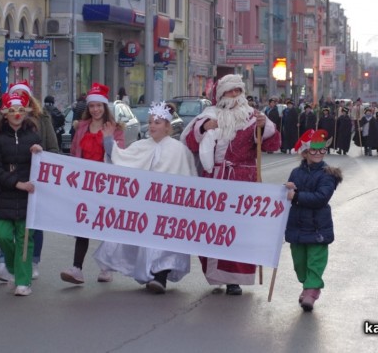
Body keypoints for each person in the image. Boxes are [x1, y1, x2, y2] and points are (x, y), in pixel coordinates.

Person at [181, 73, 281, 295]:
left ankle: (233, 279)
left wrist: (264, 128)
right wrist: (205, 127)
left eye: (238, 91)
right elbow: (189, 143)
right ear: (220, 94)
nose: (235, 96)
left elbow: (273, 145)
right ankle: (215, 273)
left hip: (242, 181)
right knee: (212, 229)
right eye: (230, 91)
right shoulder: (208, 115)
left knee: (238, 231)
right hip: (214, 181)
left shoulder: (253, 117)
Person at [93, 102, 197, 294]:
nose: (152, 126)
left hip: (170, 208)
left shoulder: (179, 150)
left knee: (167, 244)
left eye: (157, 122)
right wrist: (108, 140)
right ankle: (150, 273)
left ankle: (161, 277)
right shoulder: (141, 146)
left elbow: (189, 179)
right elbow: (120, 160)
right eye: (150, 122)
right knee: (147, 243)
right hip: (147, 207)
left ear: (167, 126)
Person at [0, 77, 59, 281]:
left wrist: (42, 159)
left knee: (31, 226)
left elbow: (52, 147)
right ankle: (6, 263)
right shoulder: (4, 126)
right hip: (11, 181)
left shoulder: (42, 118)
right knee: (6, 228)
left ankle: (32, 262)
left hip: (35, 178)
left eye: (23, 98)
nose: (17, 111)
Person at [60, 82, 125, 284]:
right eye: (92, 106)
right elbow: (73, 154)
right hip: (84, 184)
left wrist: (107, 139)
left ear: (105, 107)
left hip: (105, 184)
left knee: (104, 225)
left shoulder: (115, 129)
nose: (95, 110)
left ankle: (106, 267)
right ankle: (77, 268)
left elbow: (118, 156)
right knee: (82, 225)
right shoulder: (82, 128)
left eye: (99, 105)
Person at [0, 92, 42, 296]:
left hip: (29, 197)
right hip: (6, 195)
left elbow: (43, 165)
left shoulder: (33, 135)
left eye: (20, 110)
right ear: (5, 114)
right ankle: (13, 267)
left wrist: (40, 150)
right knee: (2, 236)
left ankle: (23, 281)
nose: (17, 114)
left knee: (25, 240)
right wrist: (17, 183)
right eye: (12, 111)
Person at [285, 129, 343, 311]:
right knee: (299, 263)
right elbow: (288, 195)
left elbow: (321, 198)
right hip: (297, 226)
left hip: (318, 227)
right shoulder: (295, 172)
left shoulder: (328, 174)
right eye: (314, 150)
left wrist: (296, 195)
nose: (318, 153)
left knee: (315, 261)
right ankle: (307, 285)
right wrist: (286, 189)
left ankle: (312, 290)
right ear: (305, 153)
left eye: (322, 150)